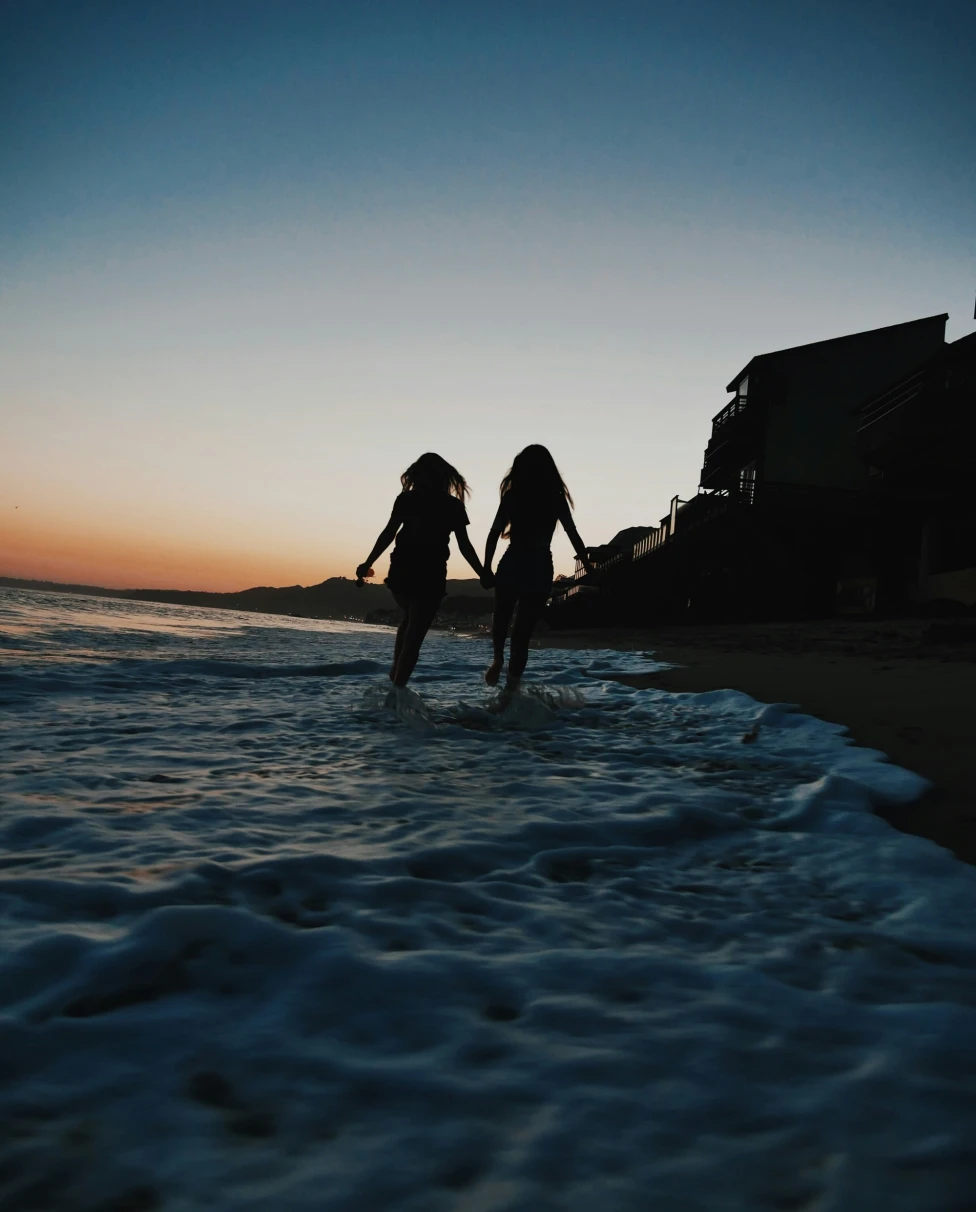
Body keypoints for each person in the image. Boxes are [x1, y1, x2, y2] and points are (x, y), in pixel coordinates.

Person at [356, 453, 491, 688]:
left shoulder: (407, 499)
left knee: (409, 620)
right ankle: (397, 688)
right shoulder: (452, 505)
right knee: (415, 632)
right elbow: (464, 545)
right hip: (430, 572)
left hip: (402, 570)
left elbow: (389, 532)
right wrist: (482, 573)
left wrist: (368, 563)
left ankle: (395, 678)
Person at [483, 445, 591, 695]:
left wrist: (486, 568)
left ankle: (498, 659)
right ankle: (511, 692)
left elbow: (493, 533)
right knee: (522, 632)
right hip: (540, 563)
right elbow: (572, 534)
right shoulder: (555, 498)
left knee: (501, 616)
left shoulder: (513, 496)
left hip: (513, 559)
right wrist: (587, 567)